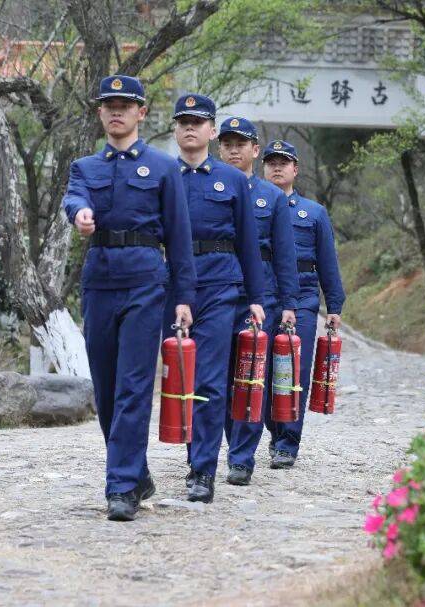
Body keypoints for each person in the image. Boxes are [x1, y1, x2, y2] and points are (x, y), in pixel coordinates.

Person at [62, 75, 195, 521]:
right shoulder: (85, 167)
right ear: (100, 113)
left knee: (134, 386)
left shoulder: (162, 168)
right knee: (105, 386)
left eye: (126, 105)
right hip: (99, 280)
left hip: (145, 283)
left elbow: (179, 236)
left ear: (141, 113)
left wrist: (183, 296)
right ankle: (135, 471)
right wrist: (79, 213)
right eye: (109, 105)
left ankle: (119, 487)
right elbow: (75, 197)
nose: (117, 111)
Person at [161, 93, 266, 504]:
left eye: (198, 121)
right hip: (173, 287)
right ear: (175, 128)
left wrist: (256, 296)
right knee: (182, 376)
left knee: (208, 378)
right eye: (183, 120)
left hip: (221, 286)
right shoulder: (162, 176)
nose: (190, 127)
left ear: (210, 130)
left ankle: (202, 468)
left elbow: (247, 244)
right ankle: (193, 453)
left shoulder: (233, 181)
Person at [216, 117, 299, 485]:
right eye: (228, 143)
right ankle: (232, 440)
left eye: (241, 143)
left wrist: (289, 304)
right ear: (220, 148)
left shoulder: (272, 197)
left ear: (255, 151)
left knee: (251, 378)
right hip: (216, 292)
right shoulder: (209, 187)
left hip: (260, 299)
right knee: (216, 379)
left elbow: (284, 255)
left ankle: (242, 456)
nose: (234, 149)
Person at [261, 140, 345, 468]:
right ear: (263, 167)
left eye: (284, 162)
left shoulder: (313, 213)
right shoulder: (254, 207)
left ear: (295, 169)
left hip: (304, 300)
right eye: (271, 162)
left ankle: (288, 441)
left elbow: (327, 262)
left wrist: (334, 306)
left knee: (295, 370)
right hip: (266, 298)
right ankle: (274, 426)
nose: (277, 168)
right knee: (262, 370)